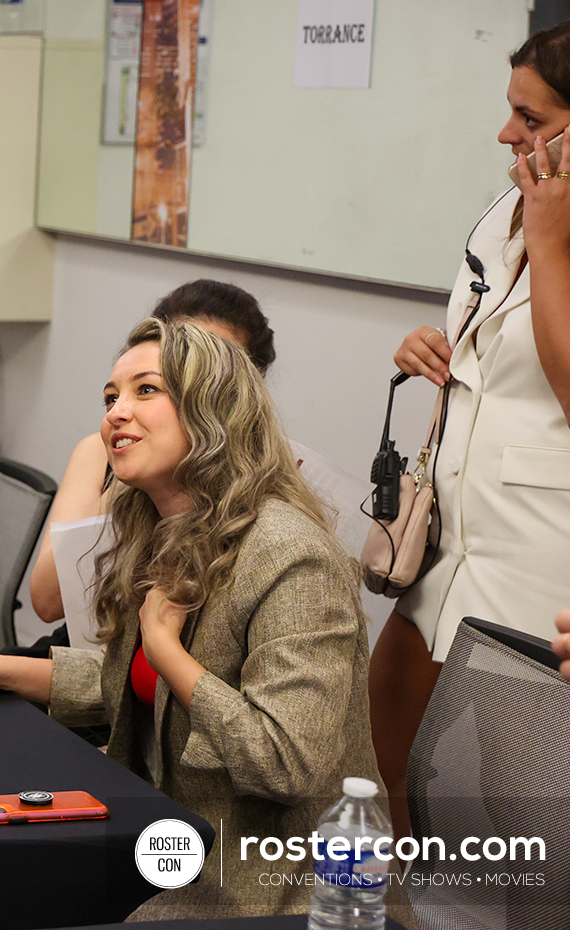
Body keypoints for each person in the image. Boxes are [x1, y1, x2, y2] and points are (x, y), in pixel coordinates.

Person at [0, 318, 382, 918]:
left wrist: (168, 652)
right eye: (110, 398)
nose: (115, 413)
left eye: (145, 391)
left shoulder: (292, 555)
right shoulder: (164, 530)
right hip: (171, 838)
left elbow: (285, 762)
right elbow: (134, 688)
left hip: (274, 886)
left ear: (213, 410)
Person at [374, 22, 570, 838]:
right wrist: (434, 347)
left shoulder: (546, 221)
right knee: (391, 733)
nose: (507, 134)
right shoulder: (505, 211)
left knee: (508, 803)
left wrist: (553, 239)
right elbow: (493, 339)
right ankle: (417, 907)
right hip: (449, 531)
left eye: (531, 119)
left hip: (535, 554)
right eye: (509, 112)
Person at [28, 280, 276, 625]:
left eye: (214, 365)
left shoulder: (270, 504)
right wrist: (134, 474)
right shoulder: (102, 452)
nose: (195, 375)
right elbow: (47, 602)